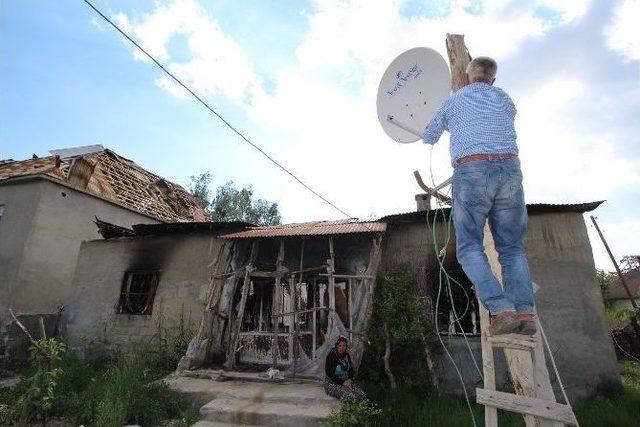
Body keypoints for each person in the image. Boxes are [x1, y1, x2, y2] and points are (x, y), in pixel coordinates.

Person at [422, 56, 536, 336]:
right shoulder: (506, 99)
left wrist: (446, 125)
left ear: (466, 76)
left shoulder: (454, 101)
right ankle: (525, 312)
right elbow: (489, 121)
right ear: (493, 79)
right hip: (509, 169)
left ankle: (501, 308)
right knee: (512, 249)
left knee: (469, 247)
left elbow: (429, 136)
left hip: (472, 170)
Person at [324, 336, 367, 401]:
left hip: (346, 381)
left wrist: (350, 379)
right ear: (336, 346)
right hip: (332, 383)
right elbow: (330, 373)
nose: (342, 348)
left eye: (344, 346)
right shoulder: (331, 356)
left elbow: (350, 370)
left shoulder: (346, 355)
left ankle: (363, 410)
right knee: (350, 395)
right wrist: (343, 382)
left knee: (361, 394)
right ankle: (350, 410)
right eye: (340, 345)